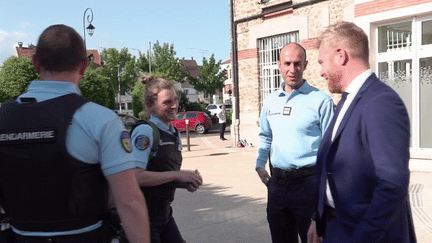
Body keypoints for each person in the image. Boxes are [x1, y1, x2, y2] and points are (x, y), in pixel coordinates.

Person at [0, 24, 150, 243]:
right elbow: (128, 200)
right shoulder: (99, 119)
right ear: (84, 66)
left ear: (35, 63)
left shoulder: (3, 117)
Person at [307, 21, 416, 243]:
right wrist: (317, 219)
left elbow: (392, 184)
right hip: (335, 226)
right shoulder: (348, 100)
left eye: (321, 62)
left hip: (364, 233)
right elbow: (331, 167)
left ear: (340, 56)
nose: (320, 72)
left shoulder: (381, 102)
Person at [255, 42, 334, 243]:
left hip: (309, 184)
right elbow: (265, 135)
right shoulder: (271, 101)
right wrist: (259, 164)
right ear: (279, 65)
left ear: (305, 65)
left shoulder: (321, 101)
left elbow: (330, 148)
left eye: (297, 64)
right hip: (278, 185)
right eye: (287, 63)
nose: (292, 70)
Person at [131, 74, 203, 243]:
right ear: (150, 105)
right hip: (142, 219)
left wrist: (185, 182)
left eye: (175, 100)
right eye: (167, 102)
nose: (174, 106)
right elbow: (134, 176)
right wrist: (177, 175)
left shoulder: (173, 133)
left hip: (164, 214)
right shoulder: (145, 132)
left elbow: (160, 175)